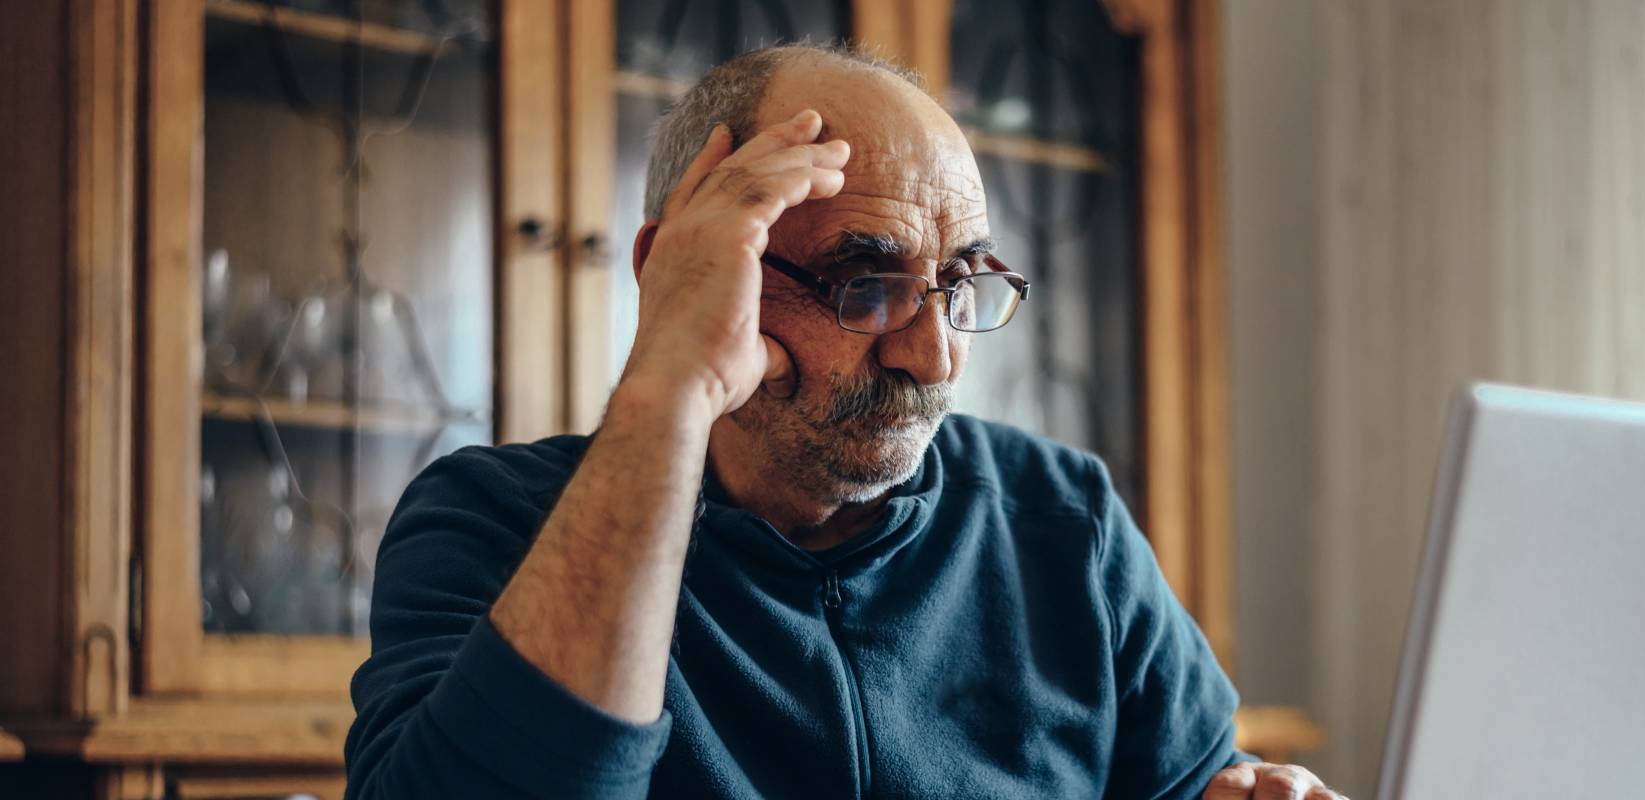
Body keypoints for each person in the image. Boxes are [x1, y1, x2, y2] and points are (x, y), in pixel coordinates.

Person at [343, 44, 1343, 800]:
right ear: (677, 270)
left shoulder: (1061, 516)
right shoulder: (494, 521)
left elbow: (1197, 779)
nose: (934, 356)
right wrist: (668, 390)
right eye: (865, 283)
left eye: (960, 283)